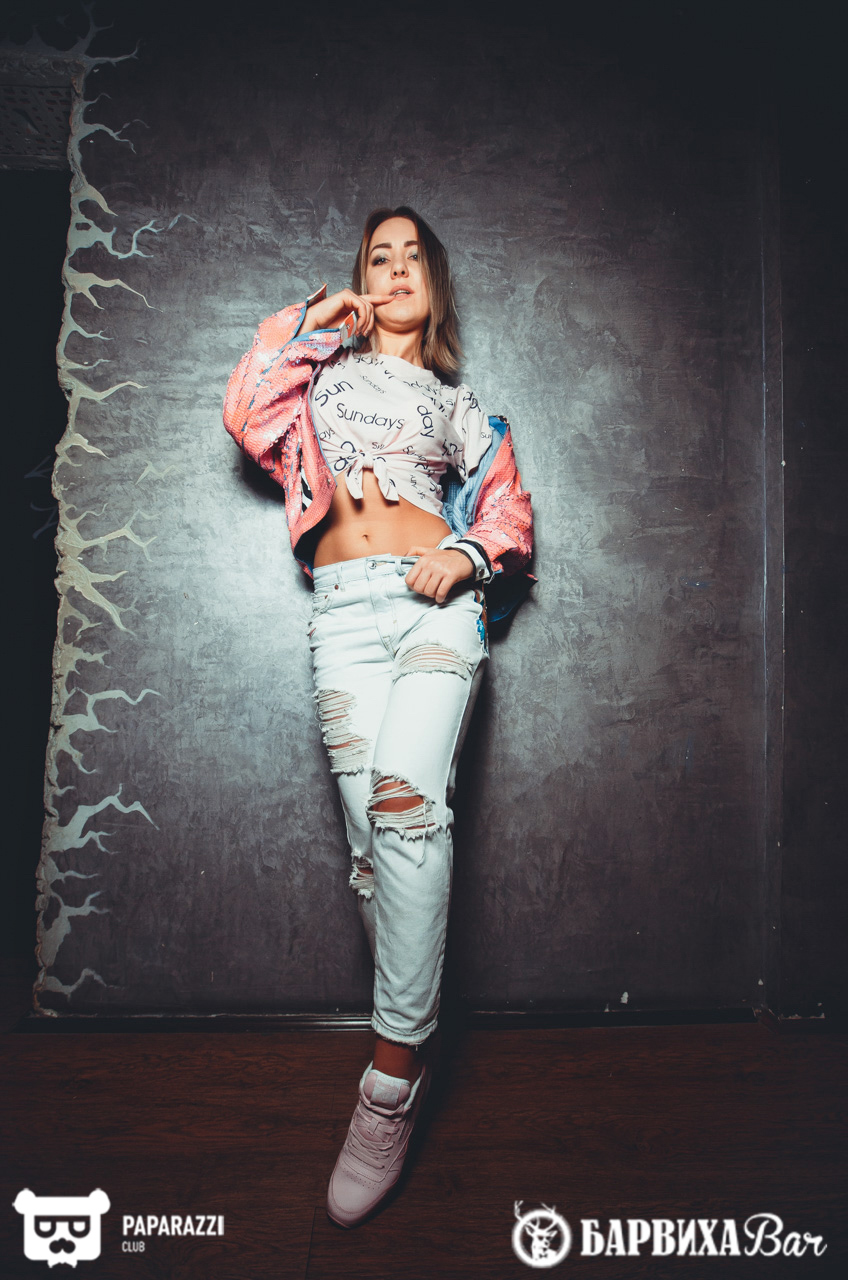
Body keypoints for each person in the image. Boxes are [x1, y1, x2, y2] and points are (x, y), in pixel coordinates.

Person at [223, 206, 534, 1227]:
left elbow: (507, 510)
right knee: (371, 853)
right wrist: (314, 317)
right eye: (377, 258)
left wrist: (469, 553)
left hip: (431, 612)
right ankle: (419, 1046)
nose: (395, 270)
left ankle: (388, 1085)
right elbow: (245, 412)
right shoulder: (317, 380)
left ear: (433, 286)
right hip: (341, 619)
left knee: (406, 809)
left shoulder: (459, 404)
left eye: (411, 259)